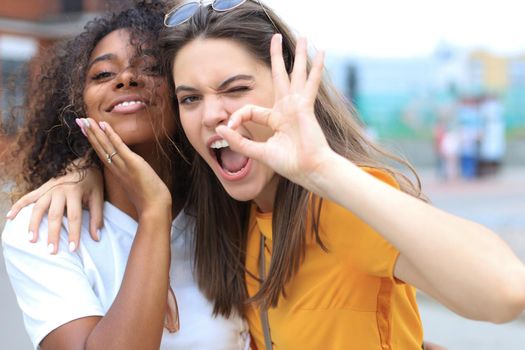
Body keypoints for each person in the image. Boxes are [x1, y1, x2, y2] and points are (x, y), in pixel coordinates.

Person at [6, 1, 525, 349]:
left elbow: (504, 292)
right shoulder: (232, 215)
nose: (212, 114)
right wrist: (84, 171)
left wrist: (323, 168)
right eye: (191, 98)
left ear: (290, 88)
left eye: (235, 88)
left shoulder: (335, 205)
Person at [0, 2, 248, 349]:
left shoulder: (232, 202)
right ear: (77, 106)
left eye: (149, 67)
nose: (126, 79)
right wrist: (153, 213)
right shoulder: (42, 226)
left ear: (183, 94)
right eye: (102, 74)